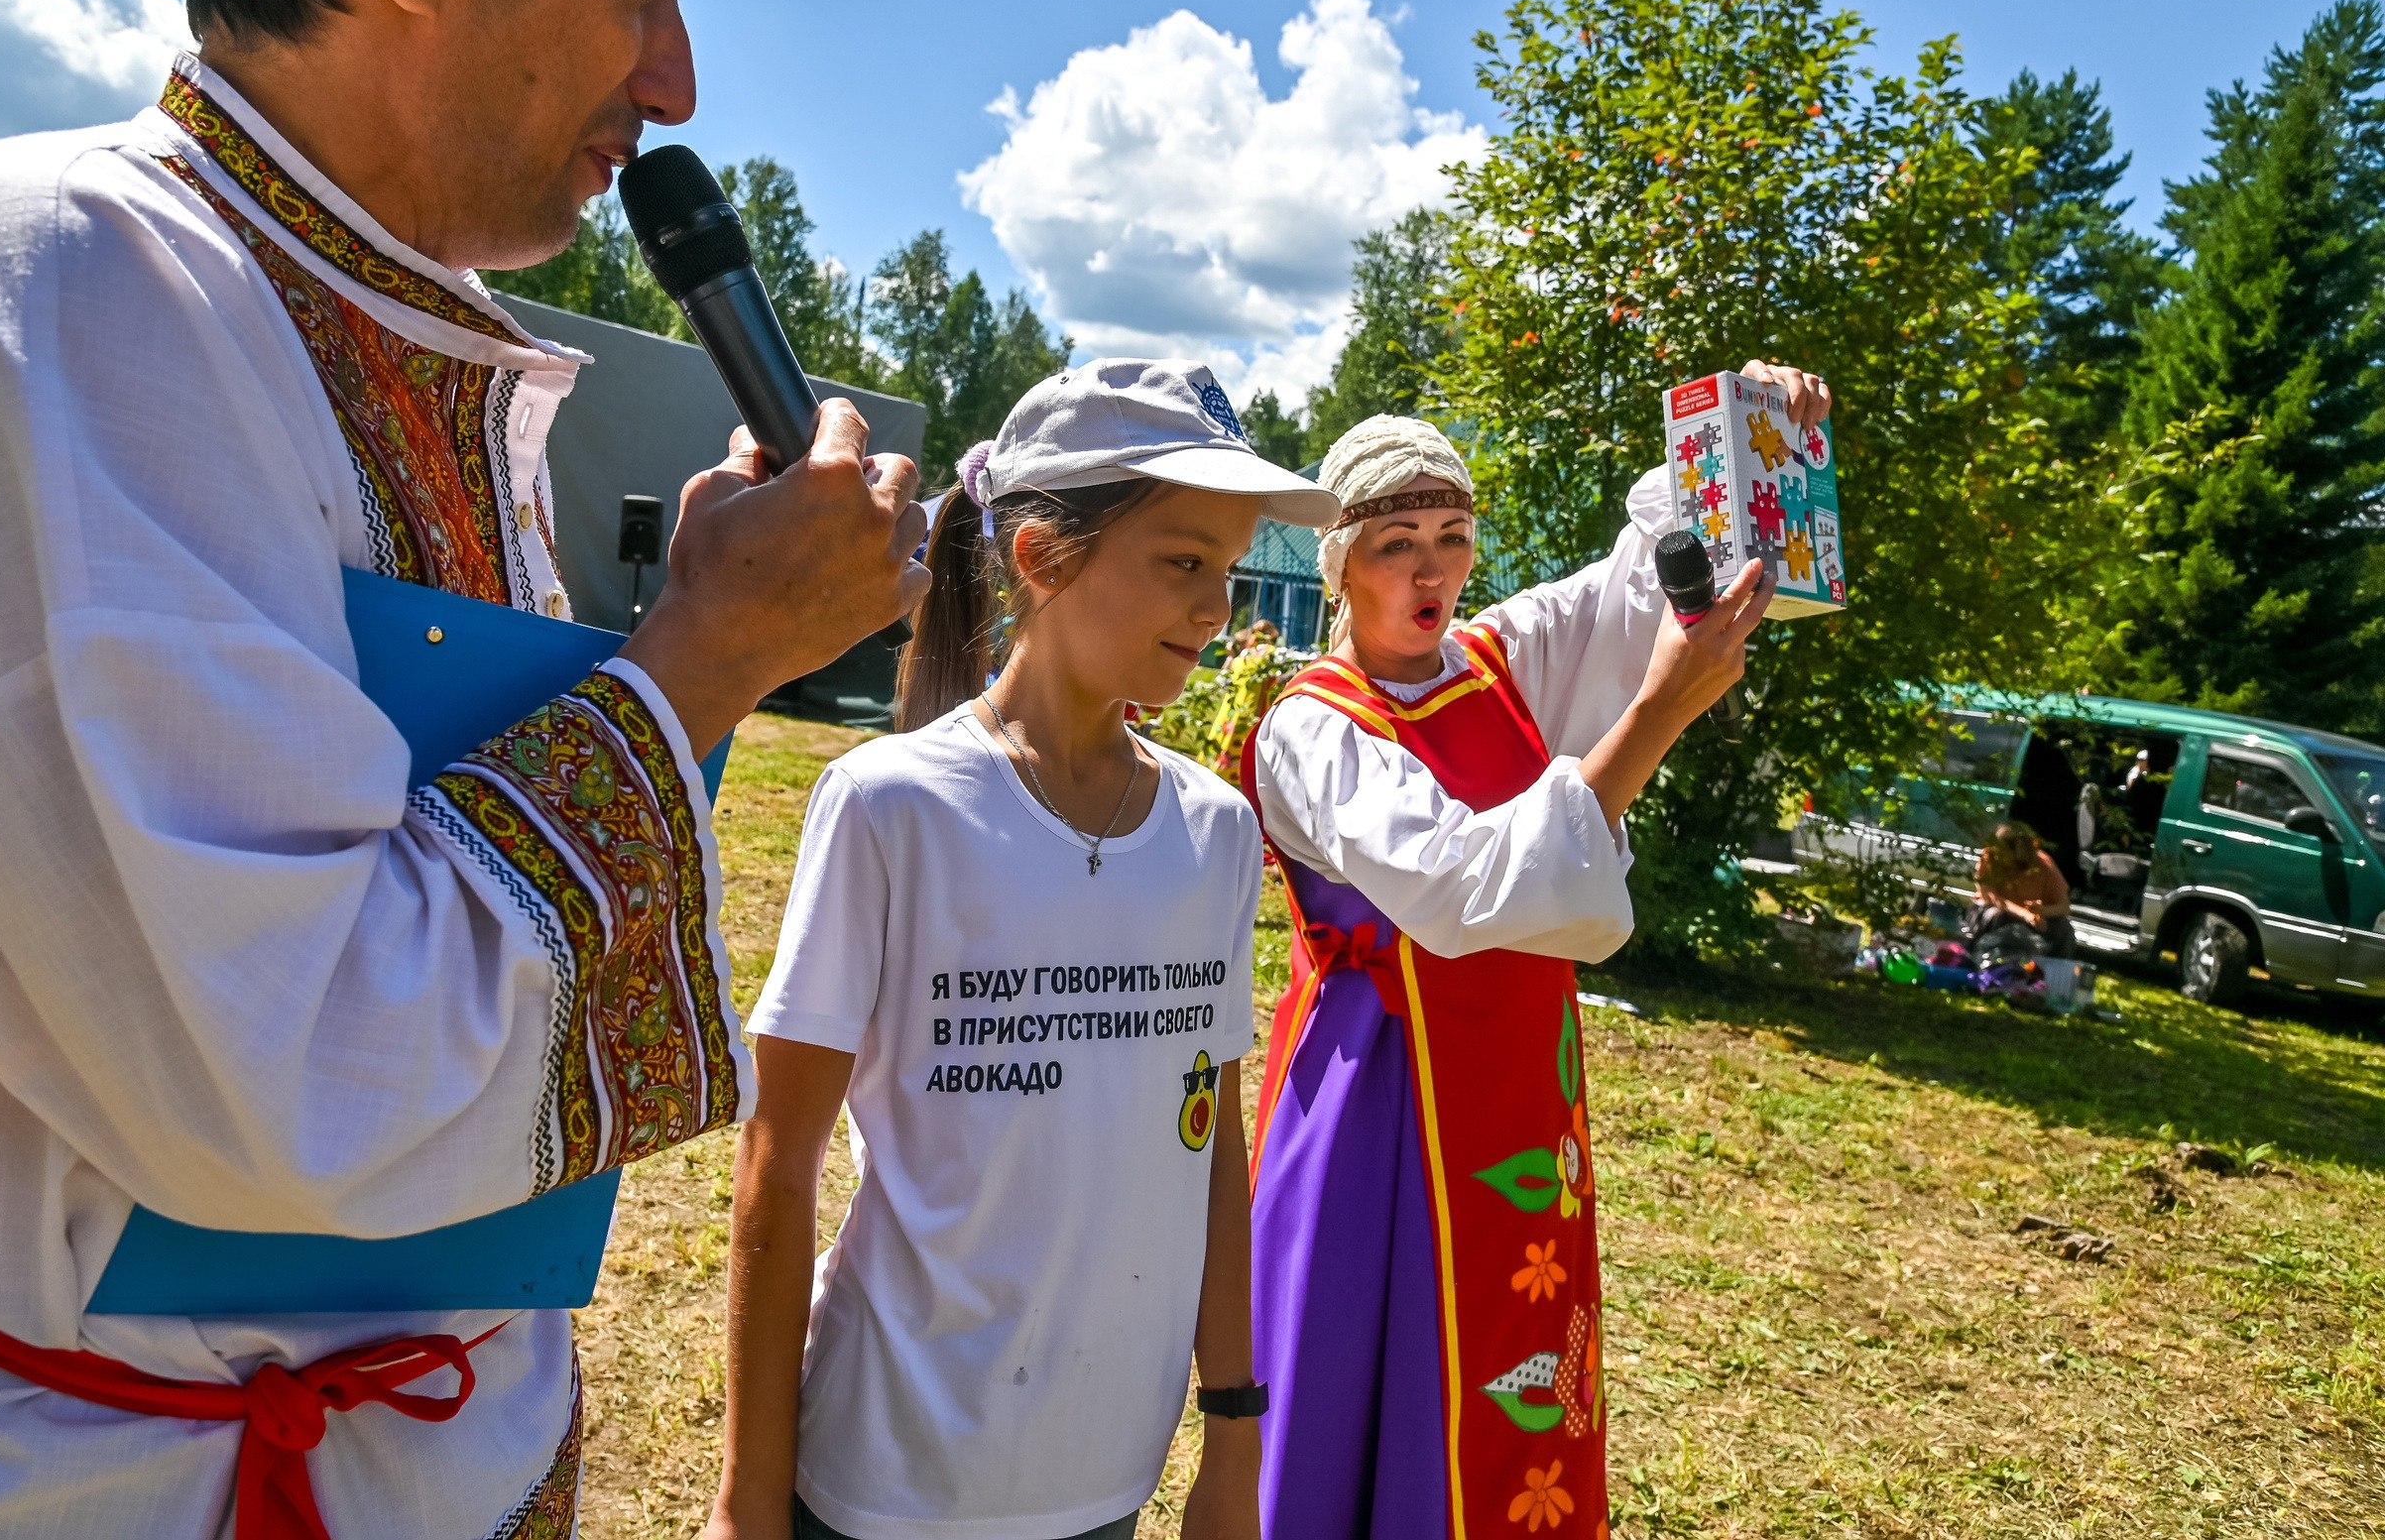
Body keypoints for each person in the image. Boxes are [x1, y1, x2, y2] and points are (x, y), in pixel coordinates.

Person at [0, 0, 924, 1534]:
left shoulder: (340, 322)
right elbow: (294, 1080)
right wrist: (702, 659)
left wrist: (701, 654)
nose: (677, 76)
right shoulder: (55, 291)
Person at [709, 361, 1338, 1540]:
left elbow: (1207, 1148)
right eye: (1183, 561)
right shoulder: (887, 804)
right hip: (884, 1476)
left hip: (1108, 1476)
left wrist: (1234, 1444)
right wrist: (748, 1497)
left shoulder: (1215, 833)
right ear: (1043, 555)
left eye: (1229, 571)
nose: (1218, 610)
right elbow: (776, 1162)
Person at [1243, 365, 1830, 1540]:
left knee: (1515, 1361)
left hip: (1514, 1087)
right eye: (1395, 542)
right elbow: (1461, 888)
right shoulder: (1314, 724)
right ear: (1340, 565)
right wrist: (1656, 717)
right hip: (1384, 1102)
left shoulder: (1493, 660)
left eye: (1452, 537)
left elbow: (1628, 589)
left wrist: (1740, 432)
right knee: (1382, 1369)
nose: (1430, 569)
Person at [1970, 822, 2075, 958]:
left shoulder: (2044, 864)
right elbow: (1991, 898)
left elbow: (2064, 907)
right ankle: (1983, 959)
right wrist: (2026, 915)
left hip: (2032, 917)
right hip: (1997, 912)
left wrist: (2042, 911)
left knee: (2064, 928)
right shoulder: (1990, 856)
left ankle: (2055, 971)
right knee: (1995, 915)